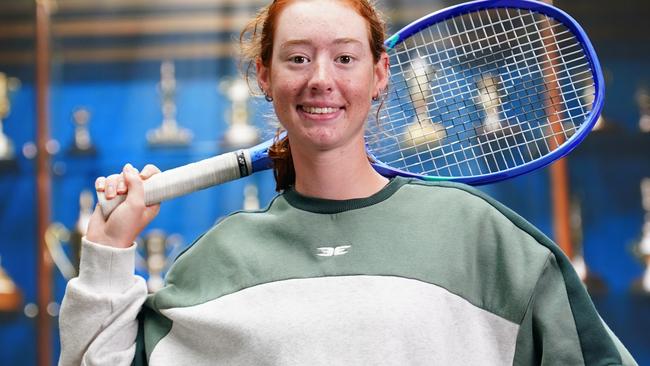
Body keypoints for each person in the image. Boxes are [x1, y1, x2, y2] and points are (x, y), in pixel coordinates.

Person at [58, 0, 637, 365]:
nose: (320, 80)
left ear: (380, 73)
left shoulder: (481, 235)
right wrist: (108, 254)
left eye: (344, 58)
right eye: (297, 58)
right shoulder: (217, 262)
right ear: (264, 76)